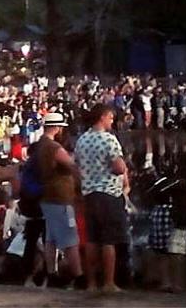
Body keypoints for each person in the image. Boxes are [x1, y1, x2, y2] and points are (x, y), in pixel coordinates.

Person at [75, 104, 128, 293]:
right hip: (108, 194)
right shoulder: (109, 140)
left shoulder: (82, 140)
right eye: (111, 118)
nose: (112, 121)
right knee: (108, 240)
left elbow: (77, 166)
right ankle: (108, 283)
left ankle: (91, 283)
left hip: (89, 193)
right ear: (103, 117)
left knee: (91, 239)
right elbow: (119, 167)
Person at [33, 112, 82, 289]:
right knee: (70, 238)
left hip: (47, 195)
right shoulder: (54, 147)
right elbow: (71, 165)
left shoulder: (40, 145)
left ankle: (52, 273)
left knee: (51, 238)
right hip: (61, 196)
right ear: (57, 127)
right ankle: (78, 276)